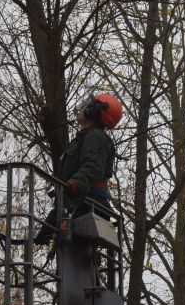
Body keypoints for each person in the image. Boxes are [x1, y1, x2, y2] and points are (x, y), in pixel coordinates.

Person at [35, 93, 123, 244]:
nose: (84, 106)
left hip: (88, 205)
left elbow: (94, 167)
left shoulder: (95, 136)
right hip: (77, 205)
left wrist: (75, 183)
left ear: (93, 111)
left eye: (89, 104)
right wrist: (47, 228)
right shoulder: (84, 138)